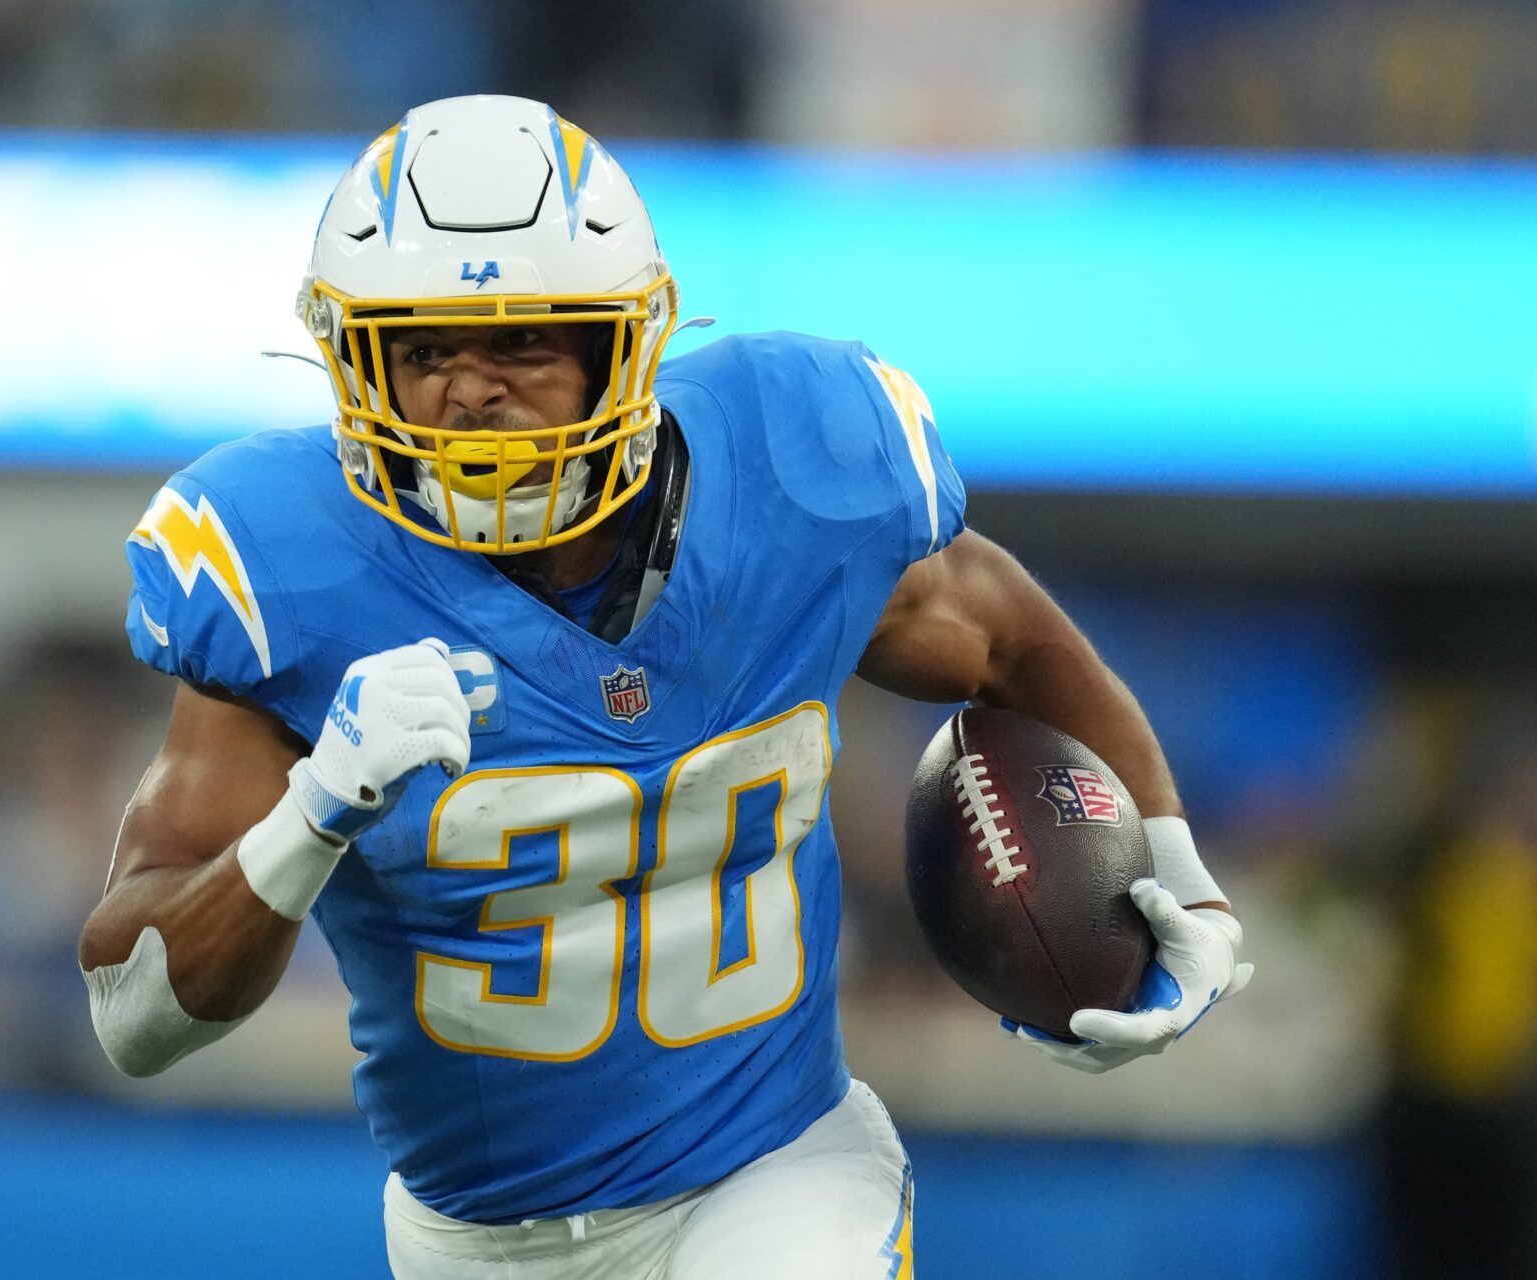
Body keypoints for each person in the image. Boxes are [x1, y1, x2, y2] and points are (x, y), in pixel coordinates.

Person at [79, 94, 1251, 1278]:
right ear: (352, 361)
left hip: (774, 1173)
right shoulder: (289, 569)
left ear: (622, 345)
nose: (471, 392)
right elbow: (133, 1016)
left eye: (524, 341)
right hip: (476, 1237)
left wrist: (1177, 867)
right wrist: (312, 812)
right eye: (423, 348)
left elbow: (1007, 640)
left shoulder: (795, 471)